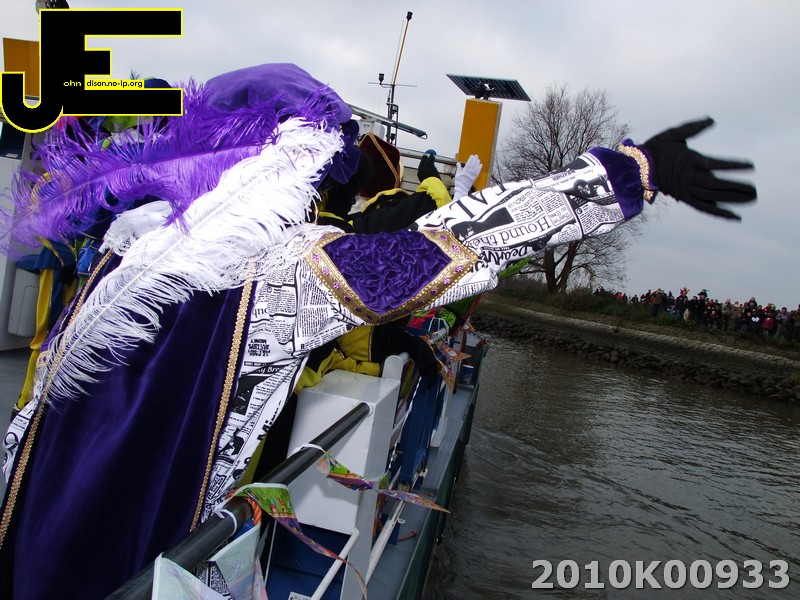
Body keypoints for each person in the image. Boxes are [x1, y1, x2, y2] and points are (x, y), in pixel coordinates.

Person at [0, 62, 756, 598]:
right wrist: (627, 173)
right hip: (127, 555)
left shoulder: (131, 247)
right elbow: (453, 244)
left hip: (31, 524)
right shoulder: (273, 277)